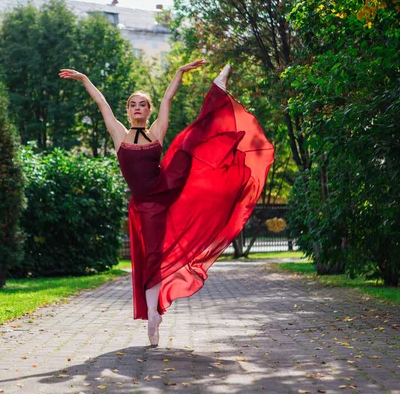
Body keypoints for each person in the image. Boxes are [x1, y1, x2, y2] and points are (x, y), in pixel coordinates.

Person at [59, 61, 274, 346]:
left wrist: (180, 72)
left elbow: (168, 98)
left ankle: (218, 90)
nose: (137, 108)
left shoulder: (156, 131)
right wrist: (84, 77)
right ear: (127, 110)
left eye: (142, 104)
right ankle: (153, 314)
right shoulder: (119, 134)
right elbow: (101, 103)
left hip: (166, 188)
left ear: (148, 111)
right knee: (152, 258)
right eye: (133, 104)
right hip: (144, 206)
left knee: (188, 145)